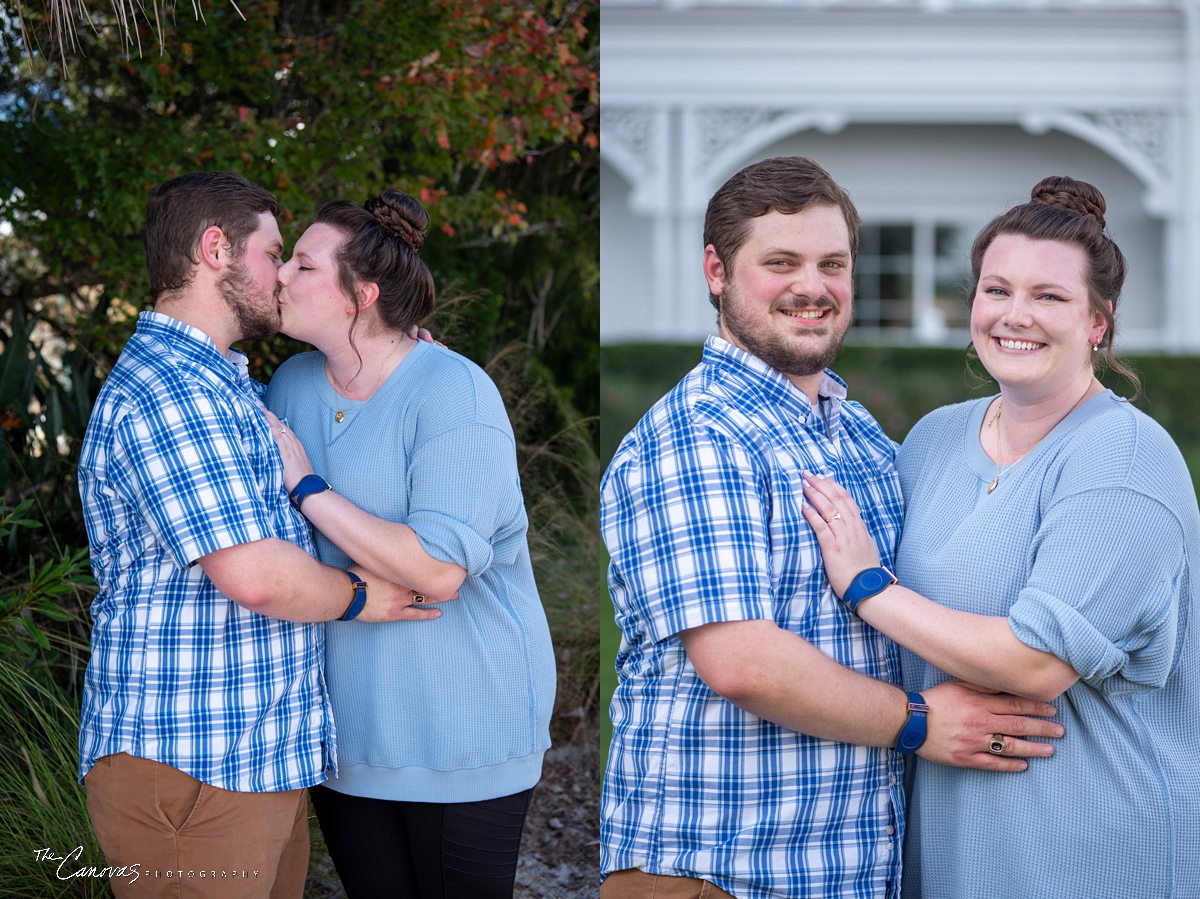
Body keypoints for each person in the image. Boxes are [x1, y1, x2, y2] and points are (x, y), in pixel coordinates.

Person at [599, 156, 1066, 899]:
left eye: (832, 263)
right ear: (716, 270)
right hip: (719, 867)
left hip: (840, 867)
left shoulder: (860, 437)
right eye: (780, 262)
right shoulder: (698, 435)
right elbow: (742, 660)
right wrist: (920, 723)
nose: (812, 287)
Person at [800, 175, 1200, 899]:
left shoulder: (1125, 458)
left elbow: (1037, 661)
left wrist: (867, 587)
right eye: (997, 290)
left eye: (1050, 296)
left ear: (1098, 323)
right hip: (951, 850)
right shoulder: (932, 439)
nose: (1016, 315)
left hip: (1093, 855)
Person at [77, 171, 447, 899]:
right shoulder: (170, 392)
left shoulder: (225, 384)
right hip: (189, 765)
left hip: (252, 758)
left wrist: (392, 356)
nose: (283, 273)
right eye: (274, 251)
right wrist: (362, 596)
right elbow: (257, 574)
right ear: (216, 249)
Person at [263, 187, 556, 899]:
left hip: (463, 725)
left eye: (302, 265)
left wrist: (310, 488)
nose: (279, 275)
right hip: (347, 728)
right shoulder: (290, 384)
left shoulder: (455, 392)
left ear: (359, 295)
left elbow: (439, 568)